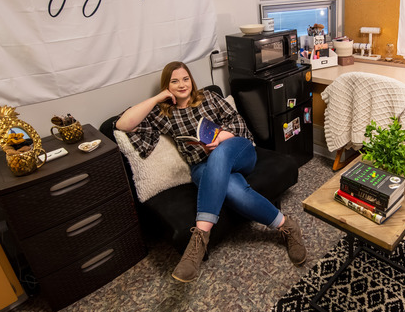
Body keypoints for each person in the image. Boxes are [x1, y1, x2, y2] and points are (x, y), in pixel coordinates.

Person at [115, 61, 306, 282]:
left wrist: (221, 137)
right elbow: (123, 124)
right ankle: (287, 225)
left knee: (221, 153)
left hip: (238, 150)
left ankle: (200, 238)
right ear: (166, 86)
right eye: (174, 81)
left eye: (185, 78)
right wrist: (159, 98)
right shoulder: (163, 114)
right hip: (202, 166)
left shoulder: (208, 97)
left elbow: (237, 122)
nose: (182, 84)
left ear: (191, 80)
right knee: (233, 190)